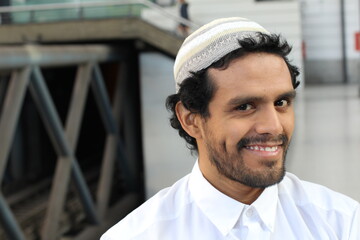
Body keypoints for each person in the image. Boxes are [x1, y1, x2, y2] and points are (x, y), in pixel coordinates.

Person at [101, 17, 360, 239]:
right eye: (245, 106)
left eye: (281, 102)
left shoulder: (342, 223)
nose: (273, 126)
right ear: (191, 120)